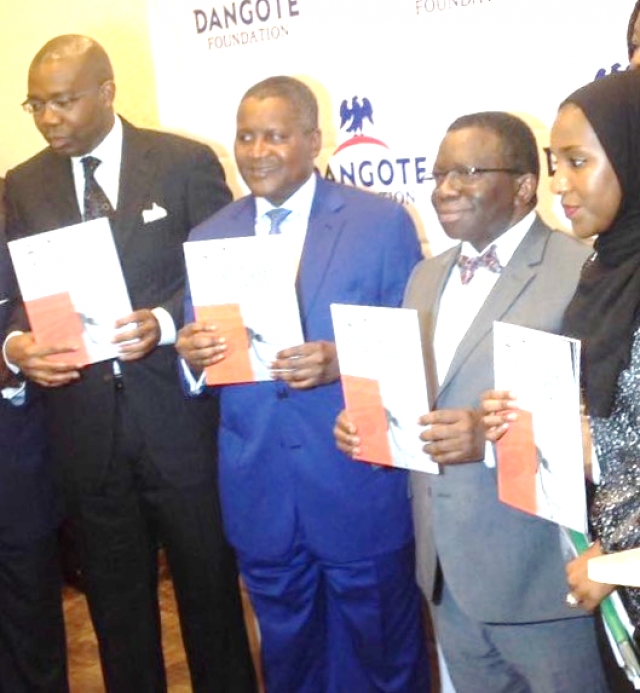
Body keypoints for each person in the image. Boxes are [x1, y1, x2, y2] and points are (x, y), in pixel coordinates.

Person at [3, 35, 256, 693]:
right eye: (36, 104)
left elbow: (225, 271)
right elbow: (12, 300)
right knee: (117, 614)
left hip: (179, 419)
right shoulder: (22, 186)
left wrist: (167, 322)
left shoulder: (181, 162)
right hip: (85, 432)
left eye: (63, 101)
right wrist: (16, 346)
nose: (48, 118)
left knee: (210, 601)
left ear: (107, 91)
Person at [336, 111, 608, 693]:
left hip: (543, 577)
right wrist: (369, 422)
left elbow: (610, 423)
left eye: (466, 172)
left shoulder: (580, 270)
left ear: (524, 186)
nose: (444, 190)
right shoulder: (424, 277)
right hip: (445, 574)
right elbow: (418, 401)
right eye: (438, 175)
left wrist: (487, 440)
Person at [176, 76, 430, 693]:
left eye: (275, 136)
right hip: (259, 492)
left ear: (314, 140)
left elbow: (413, 353)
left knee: (386, 661)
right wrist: (191, 356)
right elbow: (203, 367)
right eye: (245, 136)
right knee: (289, 666)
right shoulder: (209, 236)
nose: (256, 150)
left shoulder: (381, 224)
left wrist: (341, 361)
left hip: (356, 483)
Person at [547, 68, 640, 689]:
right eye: (554, 164)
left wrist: (628, 564)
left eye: (578, 162)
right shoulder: (601, 274)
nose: (560, 185)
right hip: (614, 592)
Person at [0, 227, 68, 692]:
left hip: (15, 468)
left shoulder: (24, 245)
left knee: (32, 627)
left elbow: (56, 337)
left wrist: (9, 365)